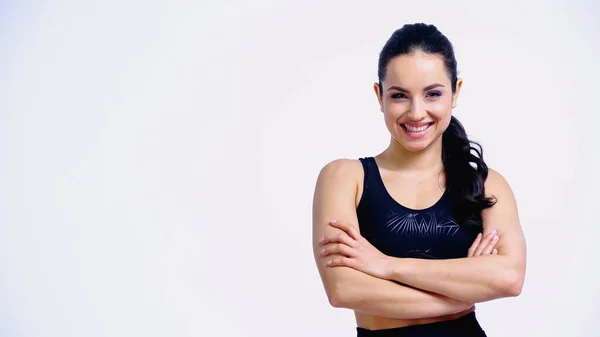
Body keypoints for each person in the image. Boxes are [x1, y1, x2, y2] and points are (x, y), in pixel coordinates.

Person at [311, 23, 527, 337]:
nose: (416, 112)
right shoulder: (344, 178)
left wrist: (386, 265)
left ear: (456, 93)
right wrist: (460, 294)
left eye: (433, 94)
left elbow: (509, 278)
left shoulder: (487, 185)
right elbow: (344, 288)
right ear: (379, 96)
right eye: (399, 95)